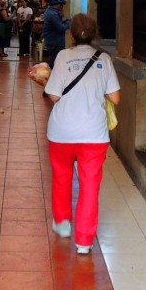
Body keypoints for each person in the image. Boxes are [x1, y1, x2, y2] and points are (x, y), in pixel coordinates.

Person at [44, 13, 120, 255]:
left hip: (61, 133)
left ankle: (64, 223)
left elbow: (54, 95)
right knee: (89, 187)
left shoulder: (63, 56)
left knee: (62, 176)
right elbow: (115, 97)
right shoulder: (105, 59)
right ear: (95, 34)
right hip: (93, 136)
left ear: (70, 35)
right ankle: (84, 242)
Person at [41, 0, 70, 68]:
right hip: (55, 43)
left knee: (54, 62)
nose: (61, 6)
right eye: (61, 4)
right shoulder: (53, 14)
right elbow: (61, 28)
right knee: (55, 64)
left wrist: (65, 21)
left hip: (53, 42)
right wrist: (70, 23)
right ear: (57, 4)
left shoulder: (50, 11)